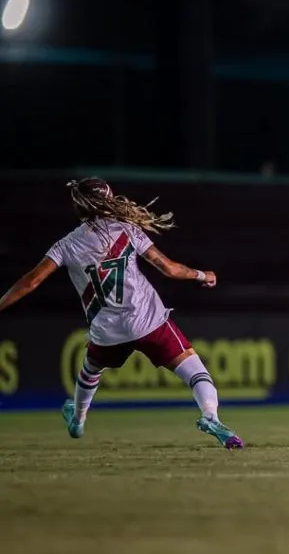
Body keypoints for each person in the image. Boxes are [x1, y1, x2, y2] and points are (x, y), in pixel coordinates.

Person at [0, 178, 244, 449]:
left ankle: (78, 419)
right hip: (147, 321)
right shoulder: (126, 230)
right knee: (195, 371)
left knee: (90, 368)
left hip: (107, 333)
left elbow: (31, 282)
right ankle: (210, 415)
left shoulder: (66, 245)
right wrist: (202, 275)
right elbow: (170, 269)